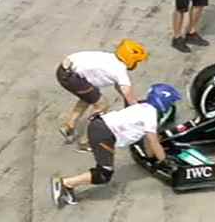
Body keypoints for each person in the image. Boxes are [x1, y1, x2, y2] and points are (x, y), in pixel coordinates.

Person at [51, 84, 180, 207]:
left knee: (104, 170)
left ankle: (67, 184)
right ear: (163, 102)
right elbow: (153, 141)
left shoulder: (142, 107)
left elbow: (148, 140)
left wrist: (152, 156)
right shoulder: (150, 115)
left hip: (100, 126)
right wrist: (164, 161)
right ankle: (65, 183)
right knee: (103, 174)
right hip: (104, 134)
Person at [56, 40, 148, 146]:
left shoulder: (110, 58)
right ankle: (87, 142)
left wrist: (128, 100)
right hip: (71, 78)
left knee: (89, 96)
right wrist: (138, 111)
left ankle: (69, 126)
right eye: (137, 61)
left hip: (64, 70)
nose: (137, 64)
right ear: (131, 60)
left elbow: (120, 88)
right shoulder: (120, 70)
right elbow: (127, 93)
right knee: (102, 104)